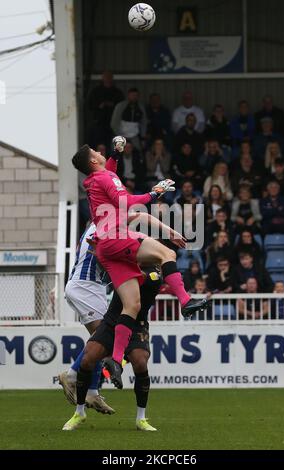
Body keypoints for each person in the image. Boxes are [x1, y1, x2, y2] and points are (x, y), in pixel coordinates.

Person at [72, 137, 210, 388]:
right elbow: (126, 201)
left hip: (105, 249)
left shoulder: (94, 180)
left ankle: (114, 361)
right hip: (117, 239)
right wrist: (154, 192)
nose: (99, 150)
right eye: (96, 151)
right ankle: (186, 301)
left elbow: (109, 177)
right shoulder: (104, 178)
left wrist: (115, 154)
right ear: (93, 160)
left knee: (131, 305)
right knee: (167, 255)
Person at [62, 268, 162, 432]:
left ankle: (141, 418)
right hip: (112, 321)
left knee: (140, 362)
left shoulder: (155, 276)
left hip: (137, 324)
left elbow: (141, 281)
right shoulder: (124, 262)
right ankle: (79, 412)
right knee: (88, 358)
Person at [58, 223, 114, 415]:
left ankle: (91, 391)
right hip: (86, 286)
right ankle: (72, 375)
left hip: (90, 286)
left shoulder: (100, 223)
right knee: (104, 338)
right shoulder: (104, 224)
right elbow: (102, 255)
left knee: (100, 342)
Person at [87, 71, 124, 148]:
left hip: (114, 124)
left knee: (113, 145)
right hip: (99, 123)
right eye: (106, 77)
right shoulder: (96, 91)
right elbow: (90, 105)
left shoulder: (117, 92)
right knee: (99, 145)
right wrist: (100, 105)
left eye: (109, 77)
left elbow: (122, 106)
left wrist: (112, 105)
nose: (108, 79)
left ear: (112, 78)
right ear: (102, 78)